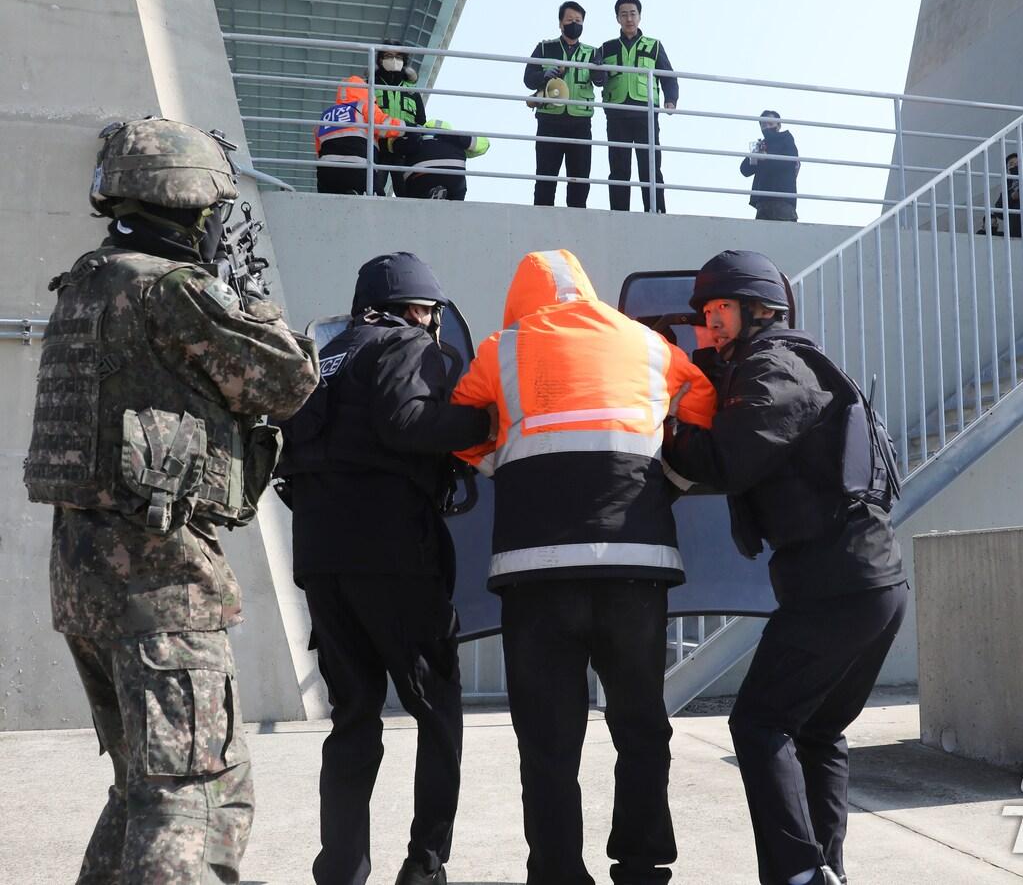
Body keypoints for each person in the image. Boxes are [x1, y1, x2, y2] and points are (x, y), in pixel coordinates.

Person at [23, 117, 318, 883]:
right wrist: (244, 296)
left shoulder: (86, 281)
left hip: (85, 582)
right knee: (199, 796)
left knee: (142, 794)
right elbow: (287, 381)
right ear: (191, 203)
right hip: (160, 582)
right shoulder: (172, 289)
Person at [450, 249, 716, 885]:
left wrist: (501, 462)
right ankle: (643, 863)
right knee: (641, 723)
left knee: (547, 740)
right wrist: (669, 473)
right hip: (635, 565)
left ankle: (556, 870)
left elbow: (457, 423)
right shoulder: (648, 344)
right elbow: (701, 397)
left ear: (521, 299)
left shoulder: (501, 348)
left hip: (535, 572)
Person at [663, 251, 908, 885]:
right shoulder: (783, 362)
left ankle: (799, 873)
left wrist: (666, 433)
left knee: (758, 722)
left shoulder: (775, 365)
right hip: (865, 580)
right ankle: (825, 870)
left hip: (835, 581)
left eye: (714, 312)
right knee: (819, 731)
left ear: (752, 311)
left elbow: (731, 458)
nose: (704, 328)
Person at [277, 252, 492, 885]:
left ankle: (341, 869)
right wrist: (485, 420)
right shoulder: (403, 343)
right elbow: (406, 421)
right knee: (437, 710)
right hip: (394, 556)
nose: (430, 324)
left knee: (353, 718)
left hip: (321, 559)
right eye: (428, 312)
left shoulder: (326, 356)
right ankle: (424, 867)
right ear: (414, 309)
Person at [598, 0, 679, 213]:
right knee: (618, 167)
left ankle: (656, 211)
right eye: (623, 14)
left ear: (640, 16)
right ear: (617, 18)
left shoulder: (654, 45)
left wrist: (670, 100)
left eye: (632, 13)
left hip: (645, 112)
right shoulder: (607, 48)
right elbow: (597, 78)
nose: (629, 18)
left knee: (650, 165)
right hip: (617, 113)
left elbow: (668, 75)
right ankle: (619, 212)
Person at [525, 1, 604, 208]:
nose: (574, 24)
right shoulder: (544, 47)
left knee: (580, 179)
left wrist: (597, 69)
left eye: (578, 20)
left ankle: (577, 226)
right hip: (550, 120)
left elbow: (600, 81)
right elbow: (528, 79)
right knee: (546, 177)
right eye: (569, 20)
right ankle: (541, 221)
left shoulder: (592, 52)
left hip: (580, 122)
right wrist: (543, 75)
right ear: (560, 23)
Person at [315, 74, 404, 195]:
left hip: (326, 173)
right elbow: (385, 125)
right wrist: (409, 127)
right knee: (379, 204)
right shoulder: (363, 106)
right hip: (358, 169)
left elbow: (318, 149)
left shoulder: (325, 116)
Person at [373, 39, 428, 197]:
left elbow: (421, 122)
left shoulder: (412, 92)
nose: (393, 60)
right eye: (388, 56)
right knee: (372, 194)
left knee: (407, 197)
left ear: (404, 61)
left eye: (398, 57)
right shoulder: (370, 86)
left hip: (404, 151)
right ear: (380, 59)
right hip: (377, 150)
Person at [394, 119, 490, 200]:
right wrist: (459, 138)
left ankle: (426, 197)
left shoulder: (416, 138)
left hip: (420, 178)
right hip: (453, 177)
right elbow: (484, 146)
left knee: (406, 185)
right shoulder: (456, 142)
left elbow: (394, 147)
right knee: (457, 195)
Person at [740, 110, 800, 221]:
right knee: (762, 236)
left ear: (779, 125)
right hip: (762, 202)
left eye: (770, 123)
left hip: (783, 199)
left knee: (786, 234)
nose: (767, 127)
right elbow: (744, 170)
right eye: (763, 124)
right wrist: (753, 156)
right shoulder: (760, 145)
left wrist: (766, 158)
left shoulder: (786, 139)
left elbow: (790, 162)